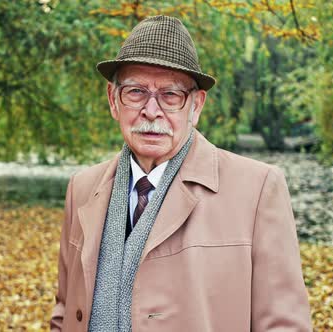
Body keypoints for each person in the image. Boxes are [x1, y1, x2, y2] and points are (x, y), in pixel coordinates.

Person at [51, 15, 311, 332]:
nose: (151, 110)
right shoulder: (81, 187)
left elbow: (284, 325)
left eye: (171, 95)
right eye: (135, 92)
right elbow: (64, 311)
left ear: (196, 106)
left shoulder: (258, 189)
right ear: (113, 100)